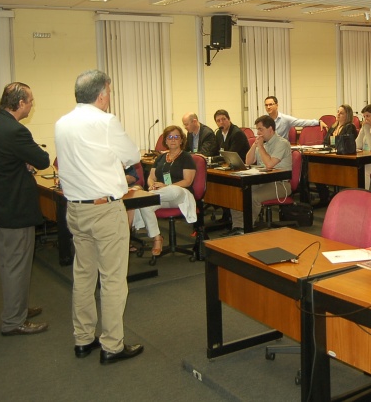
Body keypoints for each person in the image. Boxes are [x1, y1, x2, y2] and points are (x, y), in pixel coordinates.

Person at [55, 69, 144, 364]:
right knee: (113, 279)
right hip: (105, 210)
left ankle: (83, 339)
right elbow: (132, 156)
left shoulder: (61, 123)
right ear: (102, 93)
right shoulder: (106, 121)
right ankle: (112, 345)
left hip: (76, 209)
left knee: (83, 275)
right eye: (109, 91)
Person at [0, 82, 50, 336]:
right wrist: (29, 162)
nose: (32, 105)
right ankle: (13, 321)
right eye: (30, 101)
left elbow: (5, 161)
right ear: (20, 103)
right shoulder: (15, 131)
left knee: (10, 263)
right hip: (15, 210)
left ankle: (18, 308)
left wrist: (22, 163)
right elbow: (42, 161)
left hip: (0, 207)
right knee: (16, 266)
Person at [131, 124, 198, 255]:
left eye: (176, 137)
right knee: (146, 205)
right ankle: (157, 238)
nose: (173, 139)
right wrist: (151, 185)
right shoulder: (161, 158)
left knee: (172, 191)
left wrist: (166, 186)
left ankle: (149, 195)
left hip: (180, 194)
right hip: (161, 195)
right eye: (170, 137)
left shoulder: (186, 157)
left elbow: (187, 181)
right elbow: (151, 177)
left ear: (181, 140)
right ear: (165, 141)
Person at [225, 115, 292, 236]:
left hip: (280, 185)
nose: (258, 133)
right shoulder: (262, 143)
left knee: (253, 196)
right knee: (238, 192)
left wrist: (260, 146)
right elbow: (248, 161)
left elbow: (269, 165)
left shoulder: (282, 143)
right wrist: (255, 145)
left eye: (260, 129)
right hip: (263, 181)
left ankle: (246, 227)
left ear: (270, 129)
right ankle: (238, 227)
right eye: (257, 129)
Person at [213, 109, 251, 224]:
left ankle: (231, 215)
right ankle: (226, 213)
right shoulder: (219, 133)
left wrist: (217, 158)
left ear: (229, 119)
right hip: (227, 165)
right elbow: (217, 151)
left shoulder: (237, 133)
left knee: (225, 184)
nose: (221, 122)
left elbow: (232, 153)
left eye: (224, 119)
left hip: (242, 166)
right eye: (218, 121)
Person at [316, 104, 358, 206]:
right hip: (331, 155)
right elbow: (325, 141)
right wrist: (334, 140)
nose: (338, 114)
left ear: (347, 115)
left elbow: (344, 143)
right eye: (338, 112)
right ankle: (324, 196)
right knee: (315, 168)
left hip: (344, 159)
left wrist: (335, 139)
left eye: (341, 113)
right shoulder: (334, 126)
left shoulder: (350, 127)